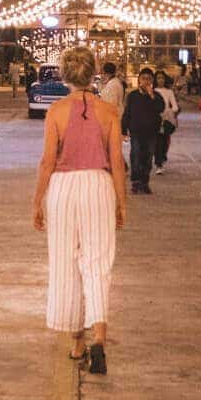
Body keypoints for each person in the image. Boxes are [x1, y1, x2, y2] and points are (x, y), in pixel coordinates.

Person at [32, 46, 127, 374]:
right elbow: (117, 161)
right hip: (98, 185)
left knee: (66, 263)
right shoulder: (108, 111)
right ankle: (99, 337)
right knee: (98, 262)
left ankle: (76, 343)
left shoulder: (56, 111)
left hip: (63, 188)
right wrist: (121, 202)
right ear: (94, 73)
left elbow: (47, 160)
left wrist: (38, 200)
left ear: (65, 75)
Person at [121, 67, 163, 195]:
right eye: (144, 78)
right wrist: (123, 129)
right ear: (139, 80)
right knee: (136, 155)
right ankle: (135, 182)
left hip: (151, 132)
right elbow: (127, 113)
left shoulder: (156, 96)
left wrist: (152, 96)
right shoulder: (133, 96)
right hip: (136, 132)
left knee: (148, 157)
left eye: (149, 79)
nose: (146, 81)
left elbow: (160, 108)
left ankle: (145, 182)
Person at [153, 70, 179, 174]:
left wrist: (168, 112)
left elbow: (175, 106)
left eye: (162, 78)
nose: (160, 80)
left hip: (166, 120)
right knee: (157, 142)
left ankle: (162, 158)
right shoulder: (152, 91)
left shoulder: (169, 92)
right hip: (155, 120)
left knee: (164, 142)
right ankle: (158, 164)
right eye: (158, 78)